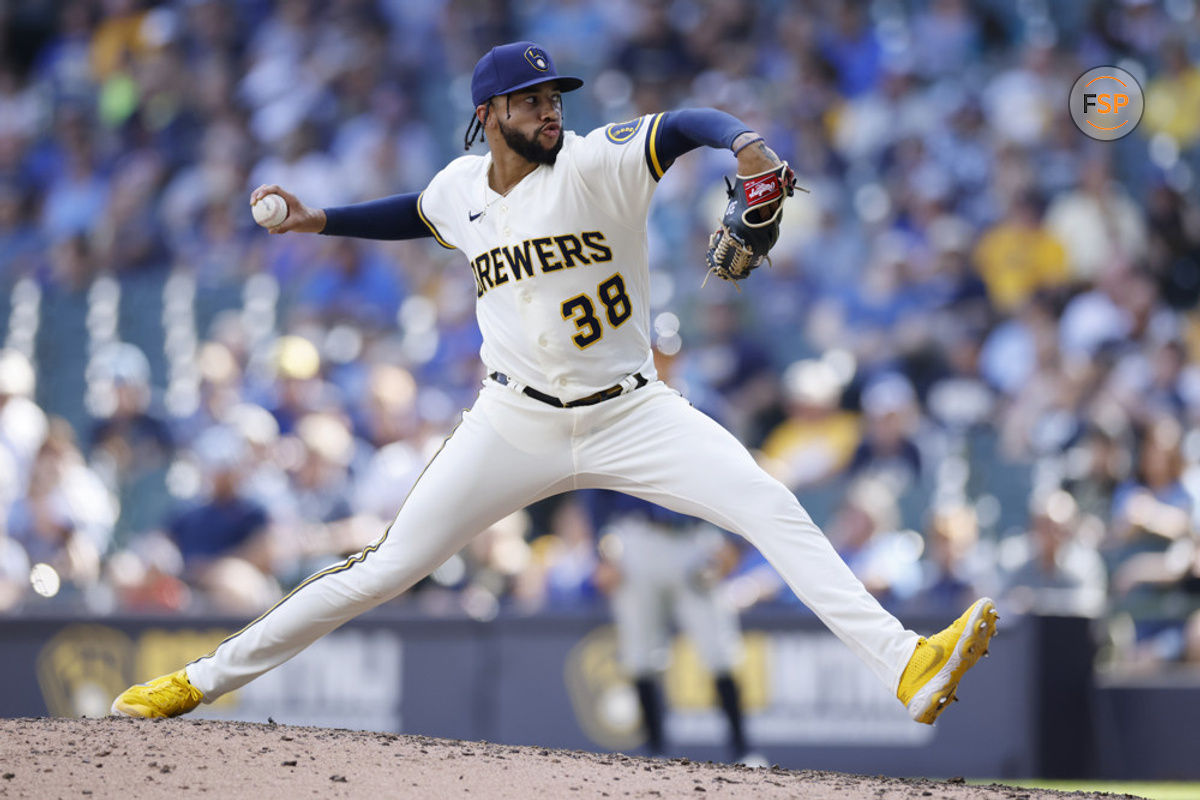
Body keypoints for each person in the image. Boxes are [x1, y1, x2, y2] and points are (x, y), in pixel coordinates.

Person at [112, 41, 996, 727]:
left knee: (770, 506)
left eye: (553, 98)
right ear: (489, 113)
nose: (549, 111)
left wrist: (748, 144)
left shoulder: (597, 161)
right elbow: (414, 216)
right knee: (381, 570)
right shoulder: (461, 189)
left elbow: (683, 124)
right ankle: (197, 681)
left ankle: (907, 666)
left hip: (634, 410)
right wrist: (321, 221)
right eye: (532, 101)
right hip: (514, 419)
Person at [589, 490, 759, 763]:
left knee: (720, 651)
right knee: (640, 655)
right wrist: (600, 549)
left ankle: (743, 750)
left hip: (695, 540)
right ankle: (655, 750)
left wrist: (734, 541)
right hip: (637, 538)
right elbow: (595, 486)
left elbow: (725, 473)